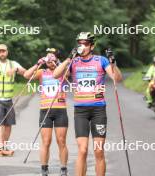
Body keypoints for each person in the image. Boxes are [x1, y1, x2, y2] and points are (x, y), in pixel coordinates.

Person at [53, 32, 122, 176]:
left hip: (98, 110)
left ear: (92, 46)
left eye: (85, 44)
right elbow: (56, 74)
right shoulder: (74, 62)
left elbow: (117, 78)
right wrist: (68, 58)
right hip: (81, 111)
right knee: (82, 150)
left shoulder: (101, 60)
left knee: (98, 150)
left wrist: (113, 63)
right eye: (80, 43)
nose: (82, 46)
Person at [24, 48, 69, 176]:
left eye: (52, 58)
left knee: (61, 141)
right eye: (48, 58)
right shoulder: (42, 72)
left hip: (60, 109)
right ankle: (44, 169)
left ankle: (63, 169)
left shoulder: (62, 71)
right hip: (45, 110)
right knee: (46, 141)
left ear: (57, 59)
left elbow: (69, 73)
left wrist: (58, 64)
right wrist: (38, 63)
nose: (50, 61)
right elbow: (27, 75)